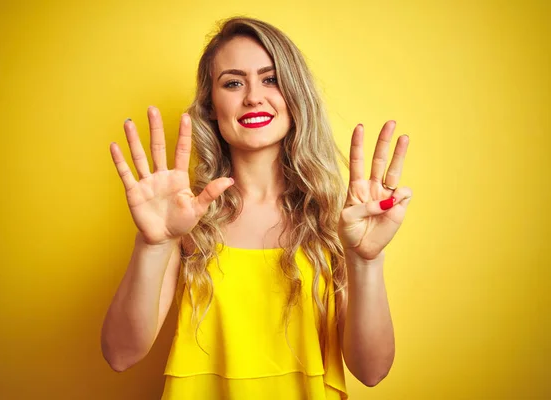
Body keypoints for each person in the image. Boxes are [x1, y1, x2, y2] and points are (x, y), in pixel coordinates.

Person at [101, 16, 412, 400]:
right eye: (233, 83)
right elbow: (120, 354)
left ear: (294, 95)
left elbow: (372, 370)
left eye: (271, 79)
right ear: (211, 106)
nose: (253, 97)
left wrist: (365, 261)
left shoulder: (338, 218)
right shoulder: (186, 217)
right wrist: (152, 244)